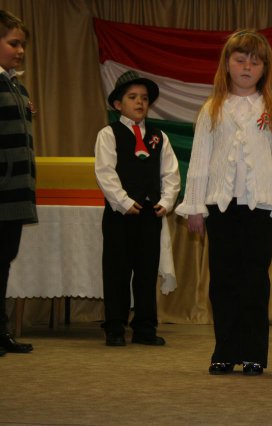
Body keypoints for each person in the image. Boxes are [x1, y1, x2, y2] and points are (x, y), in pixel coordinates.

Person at [175, 29, 272, 376]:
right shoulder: (212, 108)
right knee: (223, 280)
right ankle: (225, 350)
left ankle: (253, 353)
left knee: (255, 280)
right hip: (220, 207)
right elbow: (200, 160)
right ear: (227, 64)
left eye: (255, 62)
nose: (247, 67)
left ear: (265, 68)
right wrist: (195, 206)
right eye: (240, 60)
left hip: (259, 207)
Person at [95, 70, 180, 347]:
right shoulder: (109, 134)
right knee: (117, 270)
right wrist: (123, 200)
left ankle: (144, 326)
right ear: (118, 104)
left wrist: (165, 202)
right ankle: (115, 326)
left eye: (144, 98)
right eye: (132, 97)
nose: (140, 102)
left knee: (146, 271)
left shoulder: (159, 137)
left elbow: (171, 174)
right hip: (120, 215)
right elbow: (105, 172)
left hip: (149, 214)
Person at [0, 10, 35, 356]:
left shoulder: (16, 86)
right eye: (13, 43)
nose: (20, 50)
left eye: (22, 44)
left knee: (3, 262)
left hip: (14, 194)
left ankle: (1, 331)